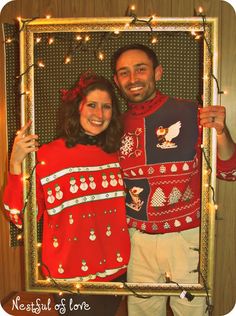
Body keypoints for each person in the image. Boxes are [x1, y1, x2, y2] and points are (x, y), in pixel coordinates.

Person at [111, 44, 236, 316]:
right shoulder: (114, 126)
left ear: (158, 72)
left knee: (189, 309)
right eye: (124, 73)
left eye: (140, 69)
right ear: (116, 80)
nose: (133, 79)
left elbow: (230, 171)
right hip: (138, 241)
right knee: (142, 311)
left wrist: (221, 132)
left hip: (185, 239)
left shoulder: (192, 113)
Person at [3, 73, 131, 316]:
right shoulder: (47, 156)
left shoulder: (117, 153)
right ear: (77, 108)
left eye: (106, 107)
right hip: (69, 277)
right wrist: (15, 165)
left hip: (117, 270)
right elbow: (20, 216)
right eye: (92, 105)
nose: (99, 114)